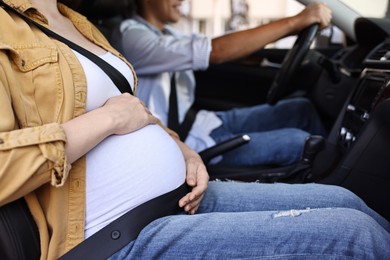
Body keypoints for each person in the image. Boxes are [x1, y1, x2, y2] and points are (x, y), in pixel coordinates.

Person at [0, 0, 389, 259]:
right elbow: (114, 116)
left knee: (346, 201)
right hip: (114, 235)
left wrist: (180, 150)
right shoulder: (6, 28)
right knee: (356, 236)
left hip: (180, 196)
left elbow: (134, 111)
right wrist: (110, 120)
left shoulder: (79, 24)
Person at [110, 0, 331, 167]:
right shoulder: (131, 36)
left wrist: (252, 57)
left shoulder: (167, 33)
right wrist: (294, 22)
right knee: (300, 143)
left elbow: (213, 45)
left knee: (301, 109)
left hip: (201, 123)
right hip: (183, 144)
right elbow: (214, 51)